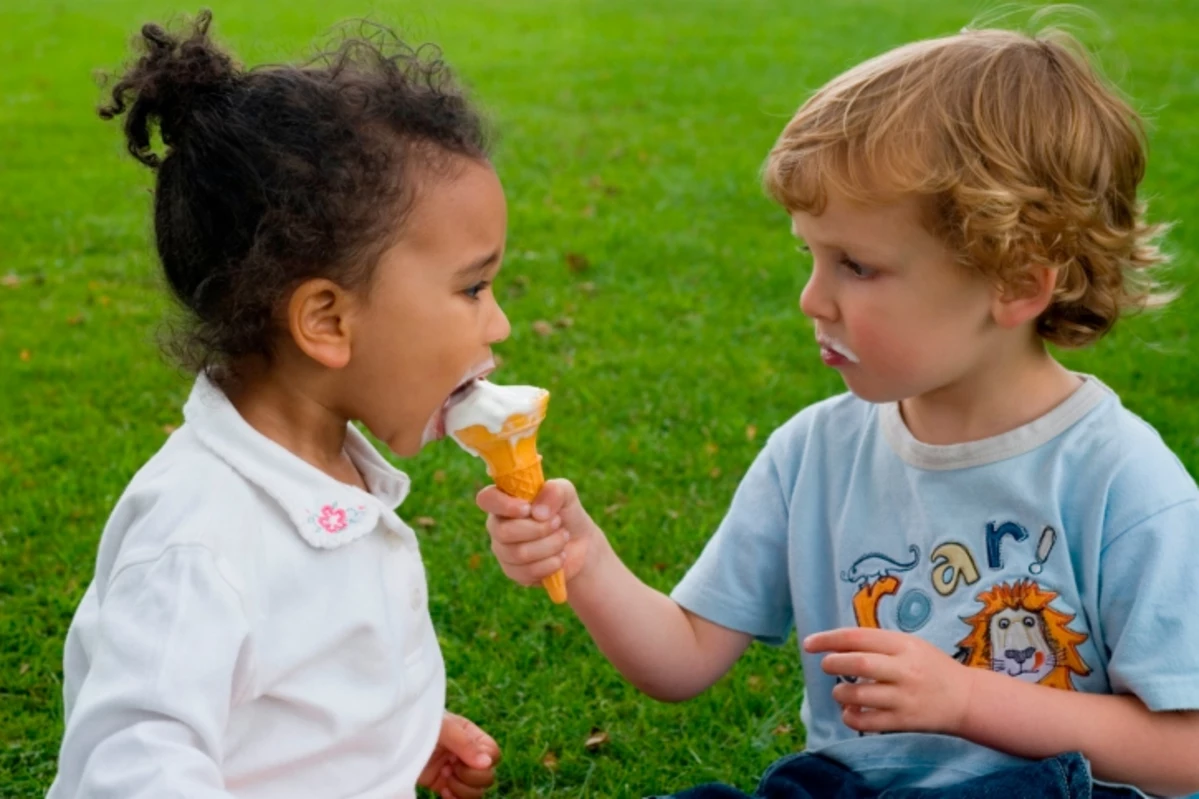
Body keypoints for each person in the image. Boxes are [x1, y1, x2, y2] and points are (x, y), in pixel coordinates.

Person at [478, 23, 1199, 799]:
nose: (811, 298)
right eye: (811, 255)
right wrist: (581, 556)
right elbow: (681, 657)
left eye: (856, 265)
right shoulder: (813, 454)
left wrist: (966, 700)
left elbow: (1184, 750)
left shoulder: (1120, 479)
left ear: (1016, 284)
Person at [50, 12, 510, 798]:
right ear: (327, 321)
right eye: (471, 287)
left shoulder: (327, 470)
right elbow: (131, 769)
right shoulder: (198, 541)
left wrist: (383, 739)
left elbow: (285, 677)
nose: (498, 322)